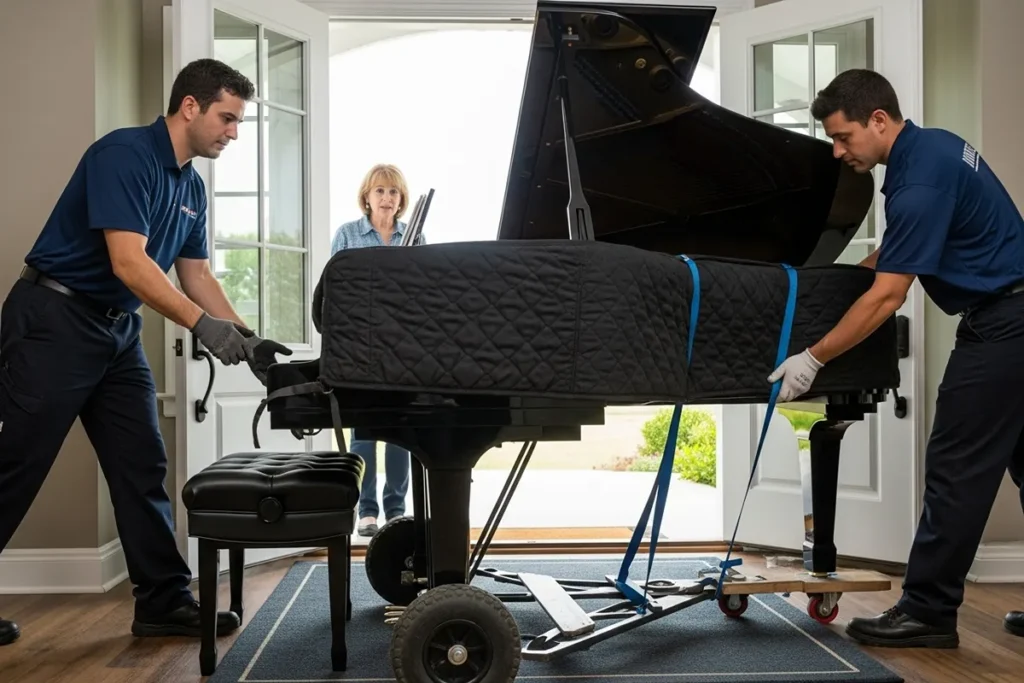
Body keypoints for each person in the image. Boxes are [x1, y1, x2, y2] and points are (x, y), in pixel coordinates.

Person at [0, 58, 292, 647]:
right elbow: (129, 262)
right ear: (191, 106)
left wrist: (249, 337)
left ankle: (162, 602)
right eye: (227, 119)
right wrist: (203, 327)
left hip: (114, 332)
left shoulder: (190, 187)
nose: (233, 133)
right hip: (54, 319)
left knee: (142, 465)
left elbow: (199, 276)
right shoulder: (124, 155)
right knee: (15, 465)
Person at [767, 68, 1024, 649]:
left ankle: (928, 612)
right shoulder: (933, 147)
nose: (837, 152)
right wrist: (838, 283)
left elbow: (889, 295)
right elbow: (902, 249)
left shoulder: (917, 180)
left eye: (843, 137)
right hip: (1016, 313)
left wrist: (812, 356)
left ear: (878, 120)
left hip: (1005, 326)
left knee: (956, 469)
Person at [330, 164, 424, 537]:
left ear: (402, 201)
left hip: (402, 348)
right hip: (360, 347)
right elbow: (334, 289)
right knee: (364, 433)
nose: (387, 198)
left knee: (400, 433)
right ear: (366, 197)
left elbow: (425, 291)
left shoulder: (413, 237)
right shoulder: (348, 235)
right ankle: (367, 512)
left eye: (393, 192)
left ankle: (397, 510)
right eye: (380, 191)